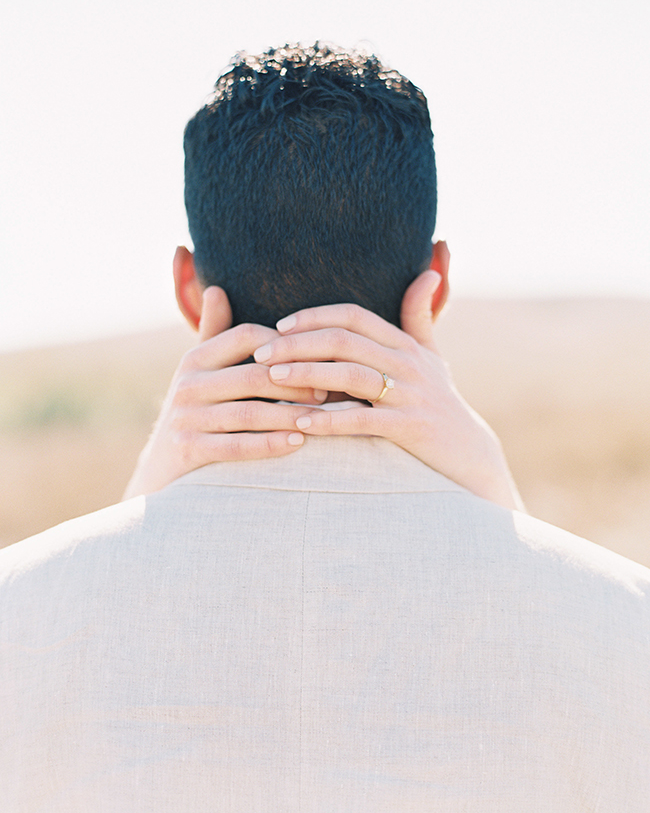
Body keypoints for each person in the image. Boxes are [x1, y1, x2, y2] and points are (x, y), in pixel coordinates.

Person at [1, 45, 648, 812]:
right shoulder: (626, 627)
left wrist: (144, 496)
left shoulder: (19, 616)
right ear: (433, 284)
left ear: (188, 287)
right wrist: (495, 496)